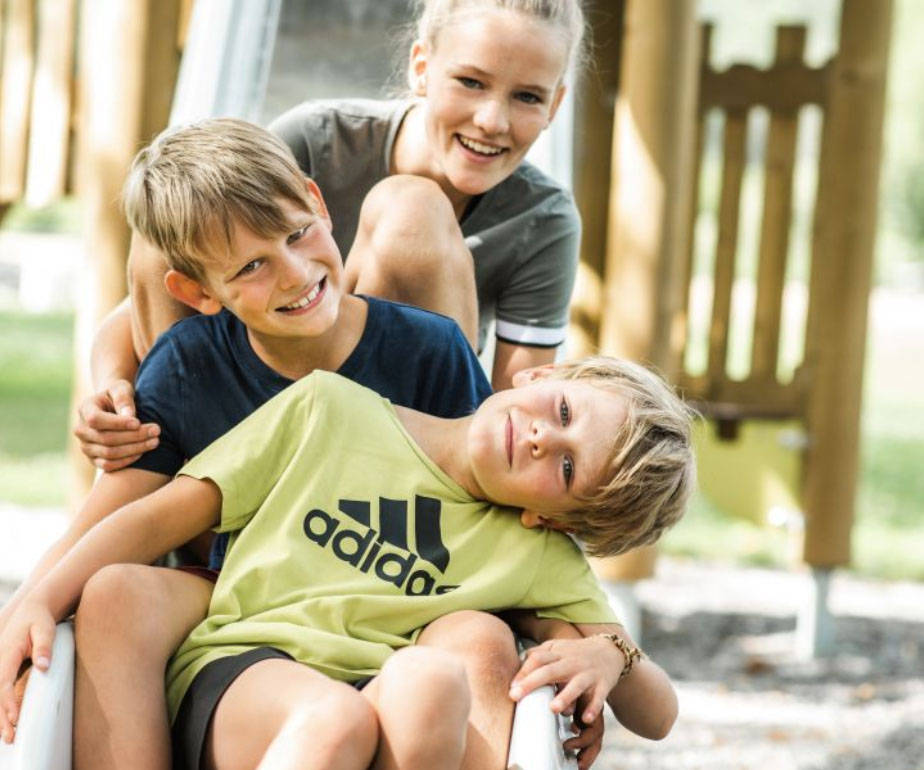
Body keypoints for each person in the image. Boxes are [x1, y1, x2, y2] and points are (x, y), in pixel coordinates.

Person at [0, 119, 557, 770]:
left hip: (386, 595)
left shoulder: (427, 349)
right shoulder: (190, 364)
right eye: (254, 266)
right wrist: (30, 601)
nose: (295, 273)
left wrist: (593, 643)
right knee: (114, 591)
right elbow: (125, 511)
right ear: (199, 293)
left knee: (482, 635)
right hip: (251, 602)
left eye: (297, 235)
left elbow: (500, 520)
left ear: (319, 204)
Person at [0, 354, 695, 770]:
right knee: (335, 718)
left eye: (569, 467)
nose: (545, 437)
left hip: (382, 704)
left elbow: (658, 716)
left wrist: (613, 658)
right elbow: (164, 515)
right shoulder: (328, 408)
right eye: (565, 409)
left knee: (431, 682)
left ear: (552, 518)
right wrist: (38, 595)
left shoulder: (535, 551)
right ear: (541, 374)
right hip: (249, 670)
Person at [78, 0, 589, 471]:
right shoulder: (318, 140)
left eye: (527, 96)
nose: (492, 120)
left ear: (555, 105)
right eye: (471, 82)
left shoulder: (542, 221)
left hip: (392, 453)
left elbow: (513, 407)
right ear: (421, 68)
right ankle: (167, 471)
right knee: (173, 223)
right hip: (244, 416)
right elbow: (155, 301)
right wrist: (111, 393)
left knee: (411, 210)